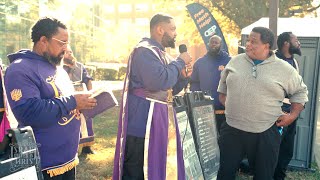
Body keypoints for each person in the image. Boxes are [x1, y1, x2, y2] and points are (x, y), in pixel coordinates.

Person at [4, 17, 97, 179]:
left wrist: (83, 104)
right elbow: (30, 112)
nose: (66, 48)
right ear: (43, 41)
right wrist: (73, 101)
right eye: (62, 43)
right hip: (44, 163)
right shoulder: (19, 69)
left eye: (67, 43)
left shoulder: (58, 68)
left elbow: (63, 102)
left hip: (68, 157)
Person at [217, 27, 308, 180]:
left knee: (263, 176)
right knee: (224, 174)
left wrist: (292, 116)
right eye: (248, 41)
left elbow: (301, 92)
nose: (248, 45)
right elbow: (222, 89)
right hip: (232, 129)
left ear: (267, 46)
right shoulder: (235, 61)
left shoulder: (284, 69)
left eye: (253, 42)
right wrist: (236, 107)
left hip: (265, 132)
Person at [113, 13, 192, 180]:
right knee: (138, 172)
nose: (175, 34)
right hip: (142, 124)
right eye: (172, 29)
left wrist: (183, 78)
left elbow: (168, 89)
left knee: (156, 169)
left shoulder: (161, 54)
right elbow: (158, 81)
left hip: (158, 122)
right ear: (160, 29)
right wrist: (179, 63)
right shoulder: (144, 51)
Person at [273, 32, 302, 180]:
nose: (299, 43)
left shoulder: (294, 62)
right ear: (286, 43)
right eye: (296, 40)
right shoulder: (273, 60)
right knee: (272, 151)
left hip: (291, 113)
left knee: (286, 151)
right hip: (277, 113)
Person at [190, 35, 231, 134]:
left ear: (221, 45)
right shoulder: (199, 63)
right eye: (211, 42)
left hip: (225, 111)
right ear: (208, 44)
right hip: (205, 111)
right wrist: (198, 100)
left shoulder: (229, 61)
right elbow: (194, 83)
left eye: (216, 42)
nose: (213, 44)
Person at [63, 45, 95, 155]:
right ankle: (73, 148)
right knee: (71, 123)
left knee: (87, 120)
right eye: (67, 52)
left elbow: (88, 80)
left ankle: (87, 147)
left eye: (71, 52)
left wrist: (90, 94)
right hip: (69, 99)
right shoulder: (58, 68)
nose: (70, 54)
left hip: (82, 96)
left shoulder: (80, 66)